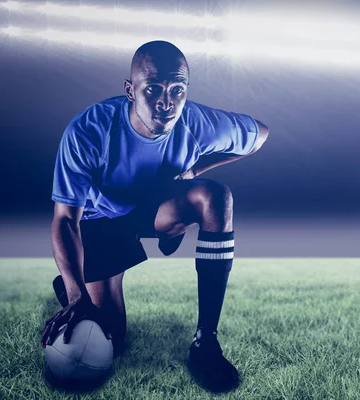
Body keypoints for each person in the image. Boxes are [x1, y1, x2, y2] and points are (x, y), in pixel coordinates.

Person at [40, 40, 269, 392]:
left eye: (177, 90)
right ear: (130, 91)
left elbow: (259, 134)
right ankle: (81, 285)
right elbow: (65, 220)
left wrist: (195, 169)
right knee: (109, 340)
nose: (166, 102)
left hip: (154, 206)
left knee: (216, 197)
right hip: (100, 219)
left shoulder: (196, 122)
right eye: (154, 89)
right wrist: (75, 294)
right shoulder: (88, 130)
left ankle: (205, 342)